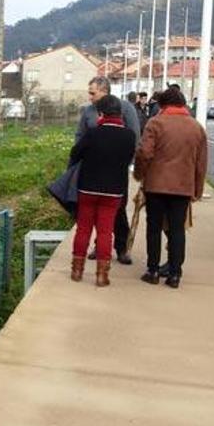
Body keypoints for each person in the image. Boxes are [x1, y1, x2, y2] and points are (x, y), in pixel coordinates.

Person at [134, 87, 208, 289]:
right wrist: (197, 190)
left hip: (156, 186)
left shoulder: (155, 123)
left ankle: (153, 270)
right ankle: (175, 274)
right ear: (183, 104)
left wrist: (139, 174)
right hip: (183, 187)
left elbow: (144, 153)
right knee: (177, 230)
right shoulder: (196, 127)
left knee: (154, 229)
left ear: (163, 105)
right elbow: (201, 164)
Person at [69, 95, 136, 286]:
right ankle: (101, 275)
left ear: (101, 113)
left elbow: (75, 153)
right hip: (114, 190)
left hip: (87, 188)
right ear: (120, 114)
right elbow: (129, 157)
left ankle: (77, 270)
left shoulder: (93, 133)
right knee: (106, 232)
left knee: (83, 229)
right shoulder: (129, 135)